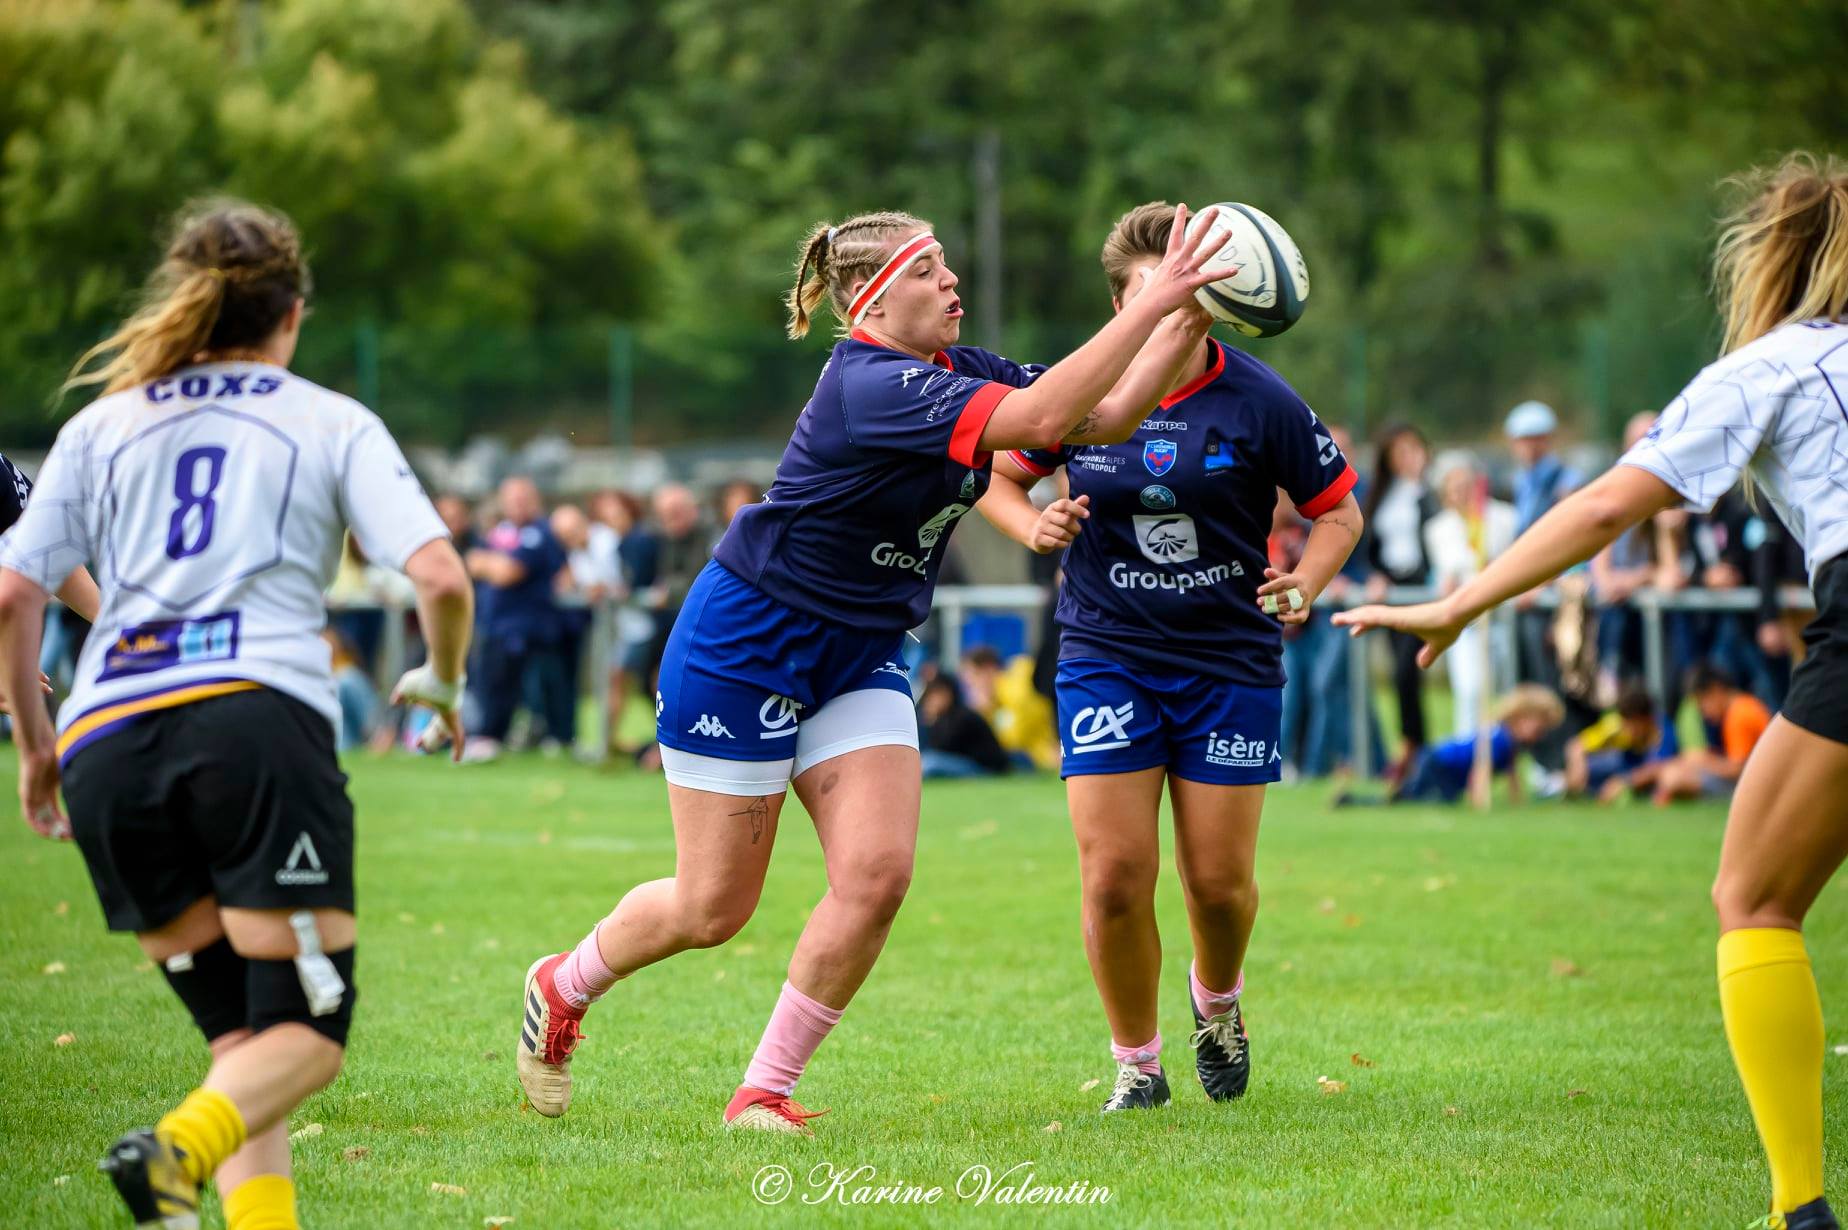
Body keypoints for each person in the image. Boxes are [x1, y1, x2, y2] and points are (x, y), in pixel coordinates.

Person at [513, 204, 1238, 1134]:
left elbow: (1094, 419)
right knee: (711, 908)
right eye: (930, 269)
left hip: (860, 653)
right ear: (870, 298)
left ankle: (761, 1093)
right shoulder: (871, 385)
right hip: (748, 647)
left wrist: (1185, 318)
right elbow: (1047, 413)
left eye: (948, 266)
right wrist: (1153, 306)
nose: (951, 282)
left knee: (878, 873)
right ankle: (562, 984)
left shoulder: (954, 371)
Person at [1335, 152, 1848, 1229]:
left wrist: (1461, 602)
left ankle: (1800, 1209)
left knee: (1754, 900)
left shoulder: (1776, 366)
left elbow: (1607, 508)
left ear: (1767, 263)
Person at [0, 199, 471, 1230]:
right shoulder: (325, 416)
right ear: (292, 313)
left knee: (244, 1045)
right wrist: (439, 683)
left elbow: (12, 593)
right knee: (309, 1035)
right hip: (250, 726)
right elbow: (439, 577)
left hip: (104, 742)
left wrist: (36, 751)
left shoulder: (100, 422)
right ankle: (170, 1153)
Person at [977, 201, 1363, 1112]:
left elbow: (1338, 512)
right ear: (1121, 308)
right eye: (1158, 294)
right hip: (1107, 652)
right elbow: (997, 475)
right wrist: (1033, 522)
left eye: (1196, 289)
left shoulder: (1260, 398)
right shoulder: (1079, 395)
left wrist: (1304, 580)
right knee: (1114, 876)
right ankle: (1137, 1065)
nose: (1180, 306)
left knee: (1219, 888)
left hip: (1228, 659)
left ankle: (1216, 1004)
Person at [462, 476, 566, 761]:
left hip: (527, 627)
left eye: (523, 499)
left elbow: (508, 572)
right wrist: (491, 563)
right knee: (490, 680)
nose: (518, 505)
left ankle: (495, 737)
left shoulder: (540, 533)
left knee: (521, 686)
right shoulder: (500, 532)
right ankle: (488, 736)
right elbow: (470, 561)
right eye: (512, 500)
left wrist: (490, 563)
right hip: (493, 623)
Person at [1424, 454, 1517, 734]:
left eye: (1467, 484)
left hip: (1500, 616)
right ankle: (1468, 753)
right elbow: (1446, 574)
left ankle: (1502, 754)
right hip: (1465, 621)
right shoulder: (1437, 529)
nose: (1461, 492)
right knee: (1470, 689)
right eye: (1454, 486)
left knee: (1503, 689)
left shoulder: (1505, 518)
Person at [1362, 423, 1435, 774]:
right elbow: (1372, 546)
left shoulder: (1428, 493)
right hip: (1393, 590)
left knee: (1410, 668)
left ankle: (1415, 746)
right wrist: (1376, 574)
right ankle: (1412, 744)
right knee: (1398, 673)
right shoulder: (1383, 496)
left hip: (1422, 588)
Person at [1387, 685, 1564, 807]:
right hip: (1439, 763)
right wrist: (1478, 800)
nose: (1541, 735)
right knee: (1424, 798)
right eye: (1540, 728)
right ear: (1520, 718)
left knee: (1442, 798)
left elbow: (1512, 773)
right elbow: (1481, 769)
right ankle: (1390, 798)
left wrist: (1517, 800)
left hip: (1443, 767)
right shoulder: (1500, 740)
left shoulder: (1512, 743)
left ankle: (1398, 794)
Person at [1647, 663, 1771, 805]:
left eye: (1702, 703)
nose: (1704, 713)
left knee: (1675, 778)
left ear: (1716, 689)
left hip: (1757, 786)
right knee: (1674, 772)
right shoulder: (1742, 706)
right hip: (1756, 781)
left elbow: (1739, 770)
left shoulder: (1739, 714)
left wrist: (1704, 761)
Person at [1565, 680, 1678, 802]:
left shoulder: (1664, 730)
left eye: (1633, 726)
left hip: (1637, 774)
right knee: (1590, 767)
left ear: (1647, 719)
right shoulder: (1616, 725)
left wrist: (1624, 781)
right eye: (1625, 725)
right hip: (1625, 765)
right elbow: (1576, 745)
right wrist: (1578, 769)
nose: (1628, 731)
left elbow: (1661, 766)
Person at [917, 672, 1010, 778]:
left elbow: (943, 747)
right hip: (971, 764)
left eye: (934, 695)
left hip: (984, 768)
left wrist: (931, 722)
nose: (930, 701)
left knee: (930, 762)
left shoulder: (962, 716)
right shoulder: (948, 716)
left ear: (947, 693)